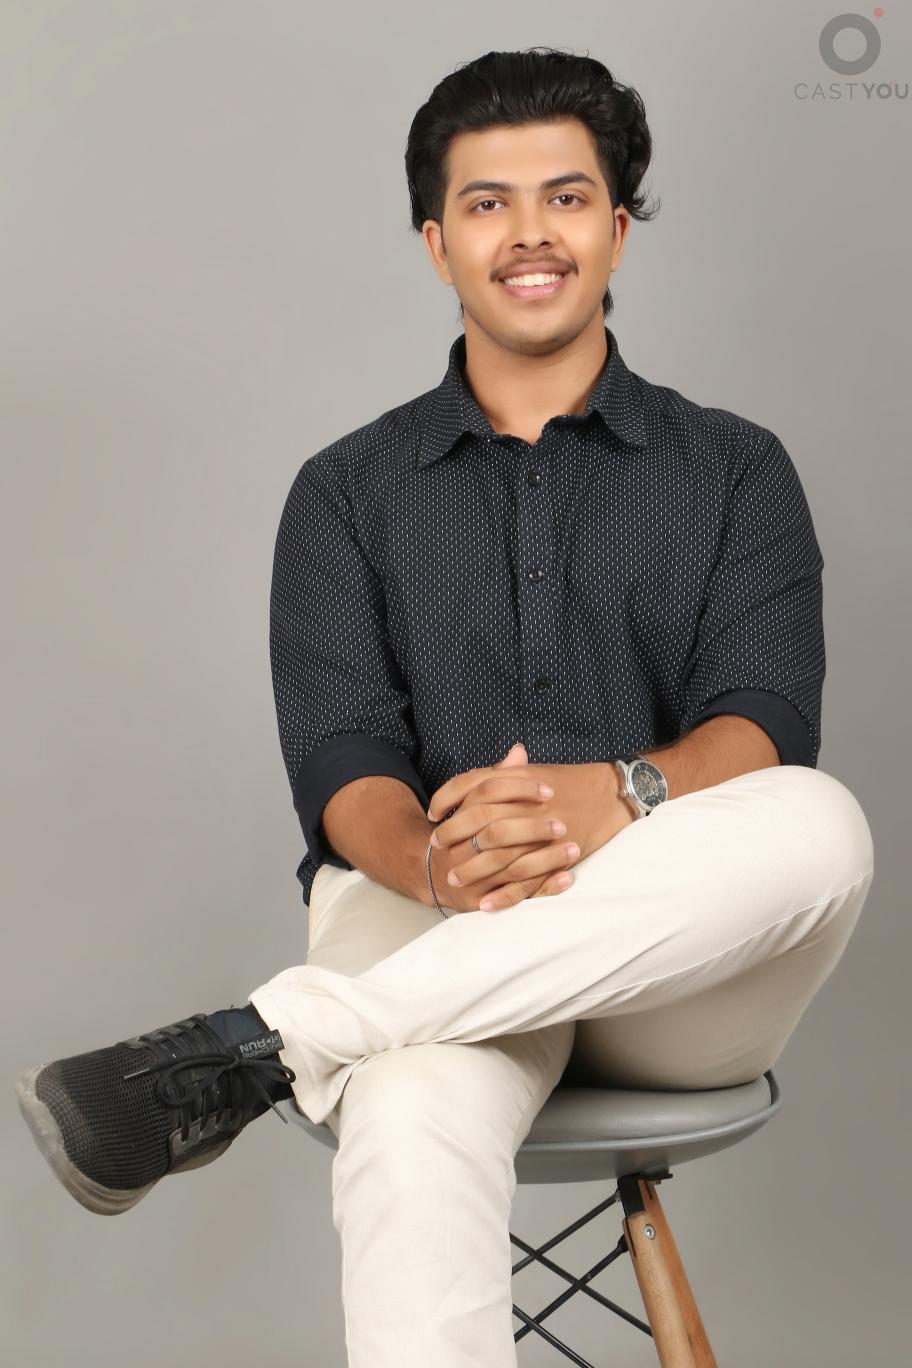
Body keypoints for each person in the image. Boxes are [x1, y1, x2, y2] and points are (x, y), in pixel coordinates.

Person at [16, 46, 874, 1368]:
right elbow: (343, 759)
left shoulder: (735, 468)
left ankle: (266, 1041)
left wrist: (617, 796)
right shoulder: (346, 491)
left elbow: (762, 724)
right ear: (437, 244)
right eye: (488, 203)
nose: (530, 234)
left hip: (674, 962)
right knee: (411, 1104)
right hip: (426, 914)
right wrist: (433, 860)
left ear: (617, 227)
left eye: (566, 197)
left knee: (819, 822)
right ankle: (318, 1034)